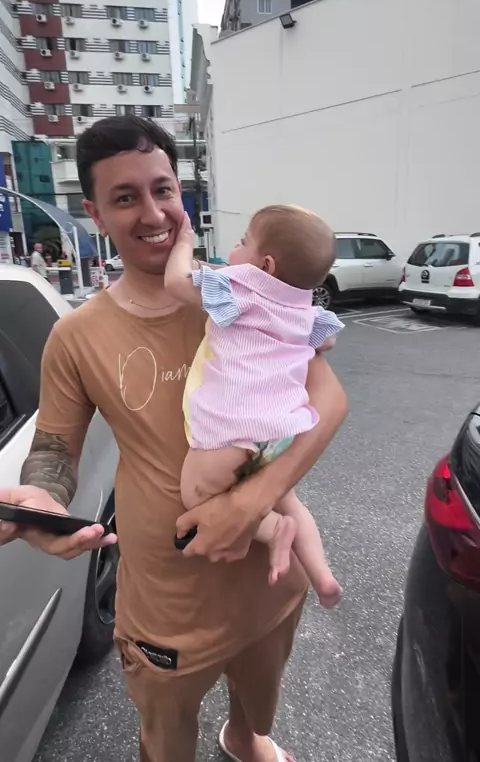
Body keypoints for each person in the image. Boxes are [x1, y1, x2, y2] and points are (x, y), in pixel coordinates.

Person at [0, 117, 348, 762]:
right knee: (166, 734)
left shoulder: (240, 294)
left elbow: (329, 401)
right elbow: (52, 448)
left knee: (260, 698)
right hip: (167, 604)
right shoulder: (76, 337)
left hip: (273, 577)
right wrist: (44, 498)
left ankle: (243, 737)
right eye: (125, 197)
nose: (154, 212)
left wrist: (253, 501)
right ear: (95, 215)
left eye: (162, 189)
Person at [165, 206, 343, 607]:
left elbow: (176, 282)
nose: (235, 246)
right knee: (290, 499)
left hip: (235, 429)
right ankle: (323, 577)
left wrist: (184, 243)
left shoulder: (242, 287)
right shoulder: (303, 308)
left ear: (265, 265)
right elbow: (327, 340)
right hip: (280, 433)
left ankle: (274, 529)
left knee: (195, 492)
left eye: (243, 241)